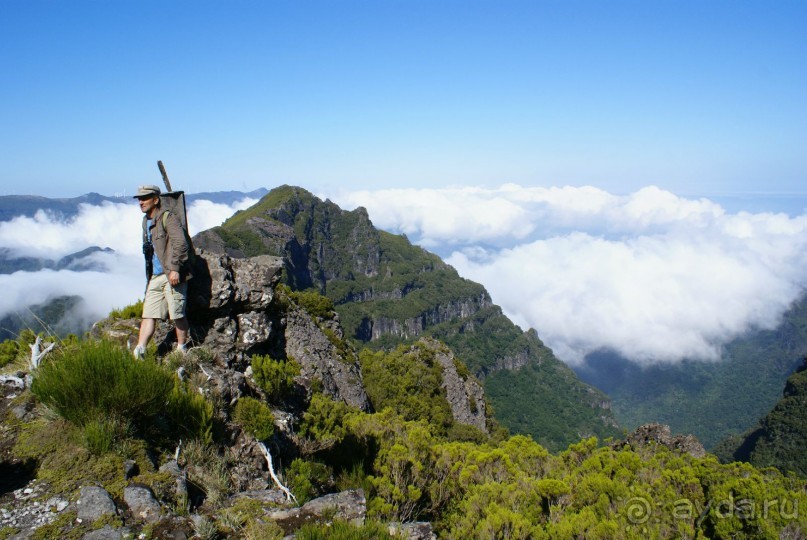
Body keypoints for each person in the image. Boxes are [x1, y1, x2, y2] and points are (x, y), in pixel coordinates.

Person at [132, 184, 193, 358]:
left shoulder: (168, 218)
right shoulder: (146, 221)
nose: (141, 202)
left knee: (177, 313)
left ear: (155, 200)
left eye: (145, 198)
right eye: (139, 199)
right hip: (155, 276)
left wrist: (175, 269)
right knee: (148, 314)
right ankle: (140, 350)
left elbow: (181, 244)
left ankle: (181, 350)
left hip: (171, 274)